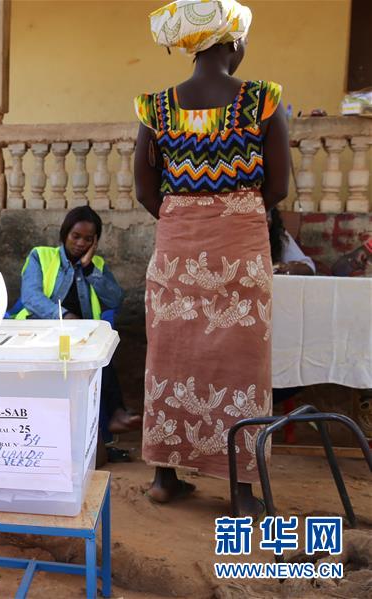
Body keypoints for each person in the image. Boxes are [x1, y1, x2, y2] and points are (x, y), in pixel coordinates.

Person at [133, 0, 289, 515]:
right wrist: (233, 214)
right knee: (240, 364)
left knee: (172, 355)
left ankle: (163, 476)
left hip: (176, 246)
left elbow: (144, 188)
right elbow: (278, 185)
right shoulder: (262, 100)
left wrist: (186, 219)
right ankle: (242, 489)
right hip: (241, 246)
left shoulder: (155, 107)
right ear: (233, 43)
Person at [14, 206, 141, 460]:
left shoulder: (97, 265)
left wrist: (89, 268)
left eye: (88, 239)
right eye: (76, 236)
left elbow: (115, 298)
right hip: (39, 330)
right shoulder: (41, 256)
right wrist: (65, 317)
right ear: (64, 234)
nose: (81, 243)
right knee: (86, 349)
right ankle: (109, 418)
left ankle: (112, 418)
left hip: (79, 338)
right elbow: (31, 297)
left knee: (99, 351)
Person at [268, 207, 315, 275]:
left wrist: (287, 268)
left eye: (268, 212)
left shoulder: (276, 234)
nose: (267, 219)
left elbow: (309, 268)